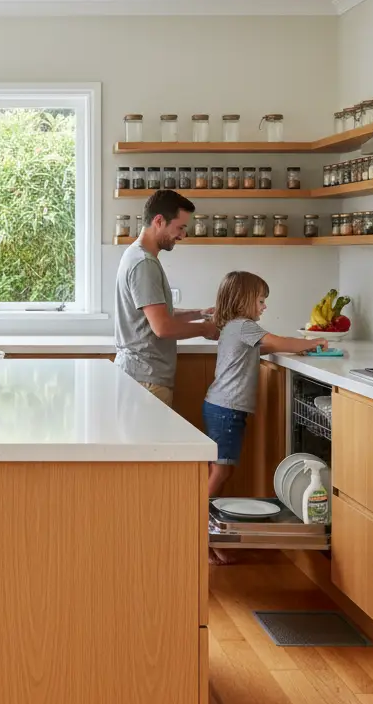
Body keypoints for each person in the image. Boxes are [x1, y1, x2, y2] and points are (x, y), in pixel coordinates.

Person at [203, 271, 325, 498]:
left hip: (222, 407)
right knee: (221, 470)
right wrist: (312, 341)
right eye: (261, 300)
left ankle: (202, 513)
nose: (264, 306)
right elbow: (278, 341)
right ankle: (197, 516)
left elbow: (263, 348)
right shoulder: (244, 325)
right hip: (226, 410)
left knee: (222, 468)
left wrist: (301, 346)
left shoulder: (233, 326)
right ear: (243, 300)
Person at [114, 189, 218, 406]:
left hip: (141, 376)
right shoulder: (144, 263)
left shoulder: (137, 255)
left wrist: (199, 314)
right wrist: (205, 329)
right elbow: (162, 327)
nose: (182, 235)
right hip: (146, 380)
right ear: (159, 221)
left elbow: (157, 315)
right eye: (179, 228)